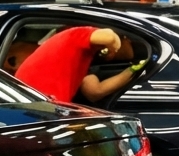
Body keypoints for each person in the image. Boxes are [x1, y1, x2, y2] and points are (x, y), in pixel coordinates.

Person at [14, 26, 147, 104]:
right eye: (128, 40)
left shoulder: (80, 54)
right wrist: (115, 48)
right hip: (39, 105)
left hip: (37, 103)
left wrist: (132, 69)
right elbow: (109, 37)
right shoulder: (74, 35)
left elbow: (93, 91)